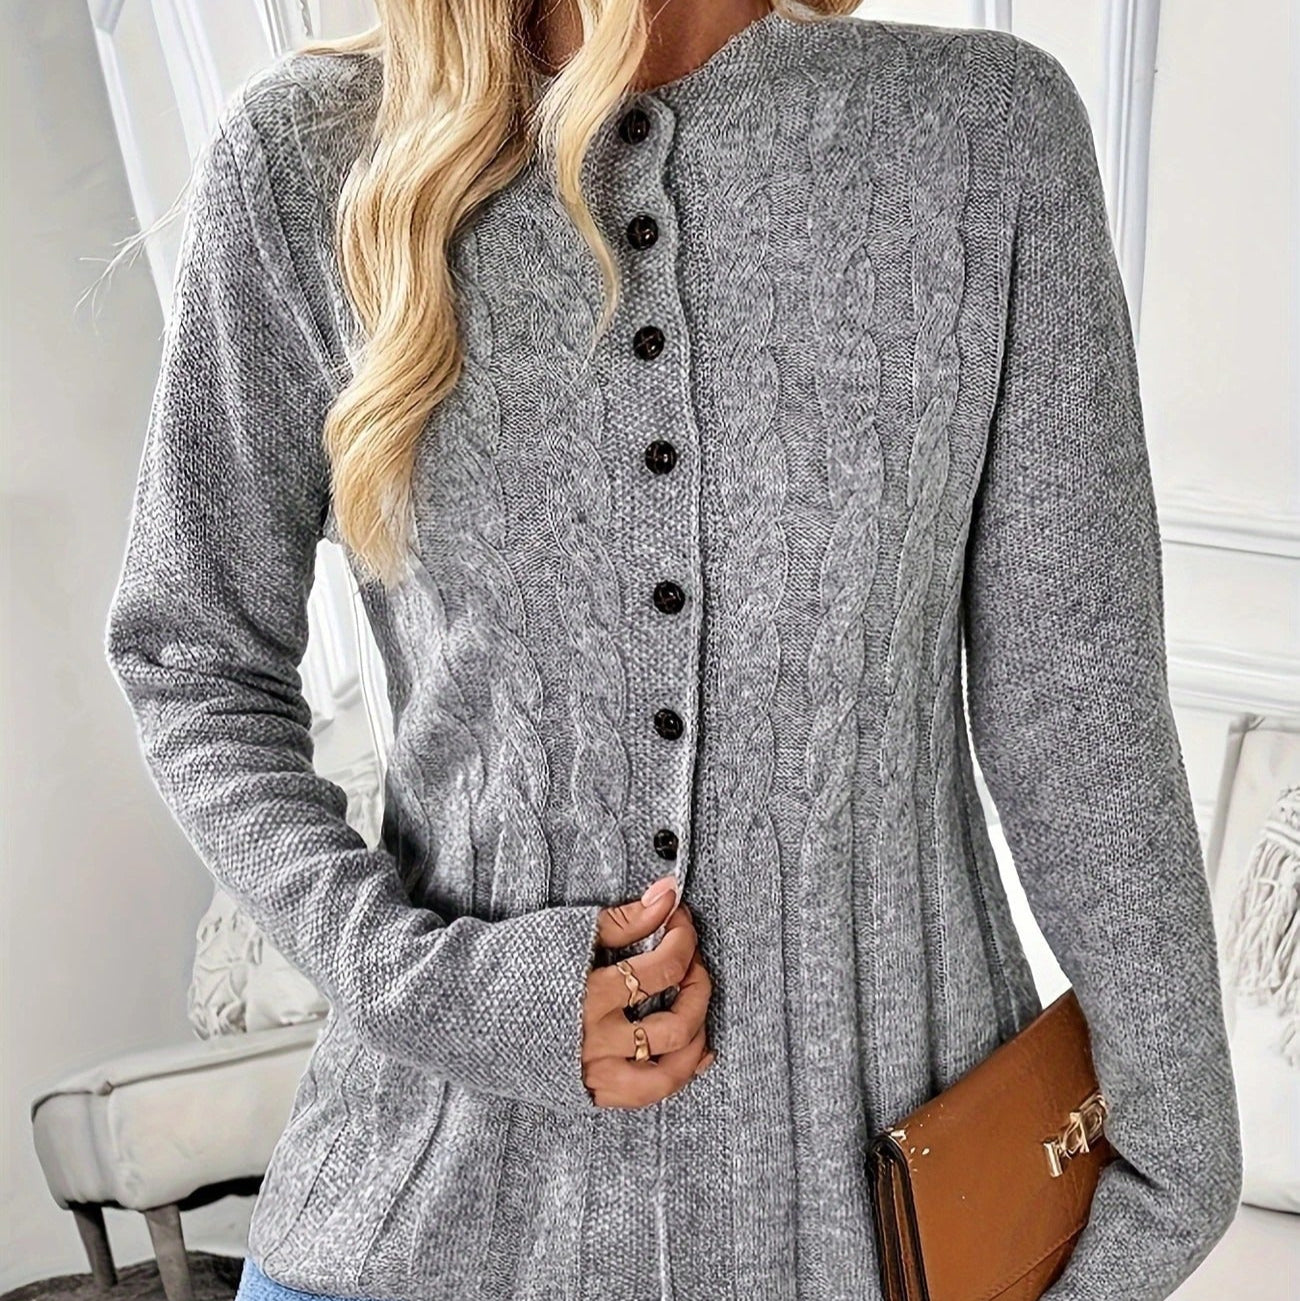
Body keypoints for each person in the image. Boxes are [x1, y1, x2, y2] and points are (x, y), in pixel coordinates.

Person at [103, 1, 1243, 1298]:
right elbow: (190, 658)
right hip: (421, 1234)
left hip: (876, 1238)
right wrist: (438, 986)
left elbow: (1078, 717)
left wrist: (1174, 1167)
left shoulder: (980, 139)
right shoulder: (310, 158)